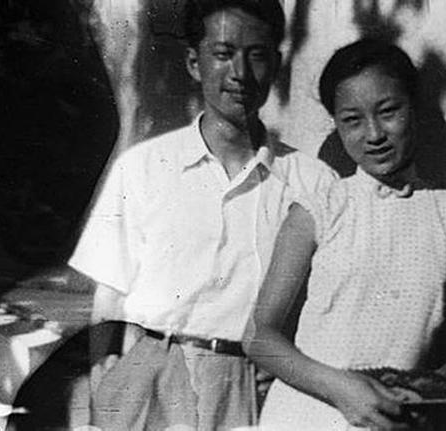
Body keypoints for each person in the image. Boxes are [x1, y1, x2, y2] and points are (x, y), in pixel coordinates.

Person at [67, 0, 337, 429]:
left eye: (256, 55)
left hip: (248, 384)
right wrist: (104, 376)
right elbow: (109, 295)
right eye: (223, 54)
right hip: (147, 374)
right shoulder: (143, 167)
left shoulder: (312, 182)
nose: (240, 73)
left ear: (276, 64)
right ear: (194, 62)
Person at [243, 39, 446, 430]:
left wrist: (425, 391)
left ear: (414, 108)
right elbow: (260, 336)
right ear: (337, 125)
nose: (374, 133)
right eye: (352, 120)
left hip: (396, 420)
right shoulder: (318, 209)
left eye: (389, 111)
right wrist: (342, 389)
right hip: (304, 415)